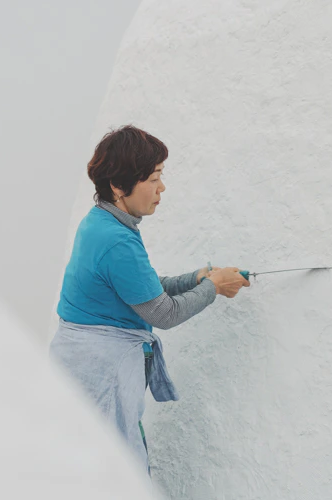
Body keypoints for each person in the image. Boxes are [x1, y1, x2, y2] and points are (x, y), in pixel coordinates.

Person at [49, 124, 249, 476]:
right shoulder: (117, 239)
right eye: (153, 178)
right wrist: (214, 287)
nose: (162, 188)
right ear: (118, 185)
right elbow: (162, 312)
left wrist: (198, 278)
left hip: (81, 365)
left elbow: (143, 286)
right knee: (112, 476)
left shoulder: (101, 223)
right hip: (100, 372)